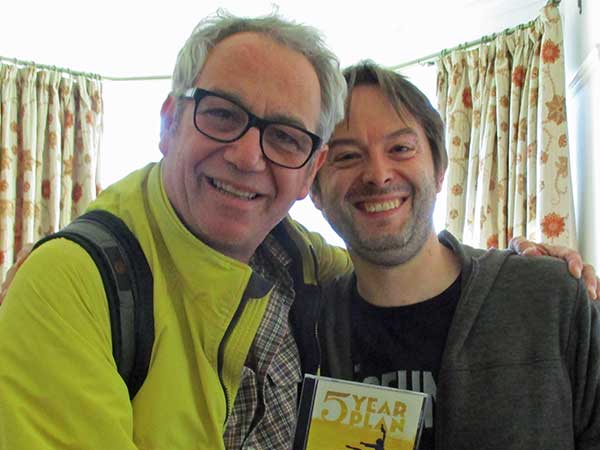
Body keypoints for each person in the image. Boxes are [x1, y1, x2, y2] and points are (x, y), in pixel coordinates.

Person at [0, 12, 596, 450]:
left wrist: (530, 270)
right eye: (222, 114)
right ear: (170, 122)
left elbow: (388, 261)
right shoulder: (79, 285)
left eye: (284, 135)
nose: (247, 156)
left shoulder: (299, 264)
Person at [310, 61, 600, 449]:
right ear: (312, 186)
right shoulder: (304, 327)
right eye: (346, 156)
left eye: (400, 148)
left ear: (440, 168)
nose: (378, 175)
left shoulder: (551, 299)